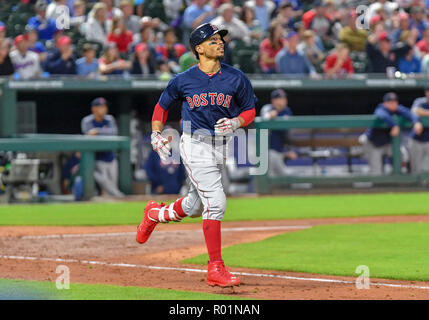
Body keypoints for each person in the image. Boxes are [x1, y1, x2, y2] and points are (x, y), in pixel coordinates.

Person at [136, 23, 257, 288]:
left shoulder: (236, 77)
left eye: (221, 40)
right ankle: (215, 268)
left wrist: (237, 121)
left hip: (221, 146)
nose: (220, 43)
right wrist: (156, 133)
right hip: (194, 143)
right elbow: (161, 107)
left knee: (194, 205)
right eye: (213, 41)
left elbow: (250, 110)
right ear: (199, 48)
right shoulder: (184, 79)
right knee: (216, 202)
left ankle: (154, 214)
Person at [362, 92, 423, 175]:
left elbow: (411, 114)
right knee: (376, 173)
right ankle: (377, 185)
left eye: (394, 102)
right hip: (374, 144)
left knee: (402, 156)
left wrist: (416, 122)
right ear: (385, 103)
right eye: (390, 102)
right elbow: (382, 115)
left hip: (388, 144)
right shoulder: (380, 109)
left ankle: (395, 177)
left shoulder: (399, 109)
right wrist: (394, 125)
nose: (393, 104)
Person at [81, 97, 125, 197]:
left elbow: (113, 133)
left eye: (104, 106)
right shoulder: (87, 121)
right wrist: (102, 132)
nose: (103, 109)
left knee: (112, 184)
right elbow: (87, 135)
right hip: (97, 158)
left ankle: (115, 198)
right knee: (104, 183)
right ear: (94, 109)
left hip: (111, 157)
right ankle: (119, 196)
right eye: (100, 107)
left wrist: (97, 131)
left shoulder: (110, 119)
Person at [260, 89, 298, 176]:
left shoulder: (287, 111)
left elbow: (288, 134)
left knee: (278, 176)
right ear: (273, 101)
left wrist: (290, 150)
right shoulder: (268, 108)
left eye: (284, 99)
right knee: (270, 175)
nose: (283, 101)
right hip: (266, 151)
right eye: (279, 99)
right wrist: (270, 116)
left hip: (280, 152)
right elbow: (263, 118)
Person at [409, 87, 429, 173]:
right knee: (416, 169)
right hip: (417, 138)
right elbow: (414, 111)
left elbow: (419, 111)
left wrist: (423, 113)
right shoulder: (420, 101)